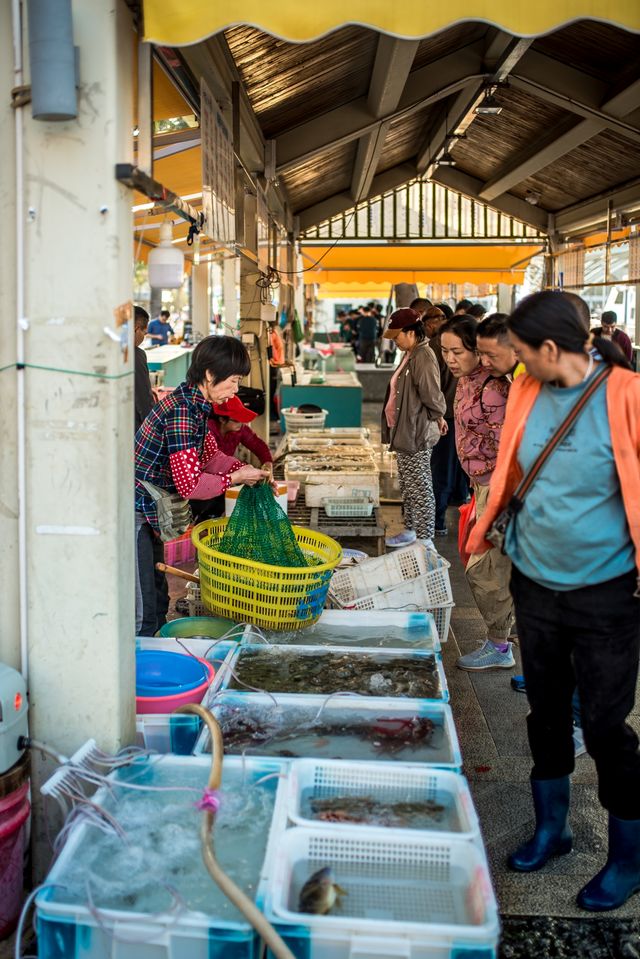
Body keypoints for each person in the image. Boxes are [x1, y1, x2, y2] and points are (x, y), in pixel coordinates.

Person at [468, 290, 640, 911]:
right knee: (543, 711)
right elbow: (512, 471)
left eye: (518, 351)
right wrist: (485, 526)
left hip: (607, 596)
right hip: (535, 585)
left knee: (604, 724)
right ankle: (553, 828)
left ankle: (628, 856)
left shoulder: (627, 398)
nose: (509, 362)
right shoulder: (526, 391)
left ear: (549, 348)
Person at [135, 335, 270, 635]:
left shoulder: (196, 407)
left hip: (153, 512)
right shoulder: (181, 412)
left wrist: (245, 469)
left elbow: (211, 458)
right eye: (233, 381)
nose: (236, 390)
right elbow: (190, 484)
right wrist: (235, 479)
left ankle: (162, 646)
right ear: (210, 375)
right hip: (136, 512)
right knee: (143, 608)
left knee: (158, 597)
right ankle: (146, 672)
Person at [440, 314, 515, 670]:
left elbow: (508, 449)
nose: (450, 359)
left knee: (484, 569)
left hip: (499, 488)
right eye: (445, 351)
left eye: (458, 351)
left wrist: (499, 499)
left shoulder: (494, 388)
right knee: (488, 567)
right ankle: (502, 639)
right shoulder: (467, 382)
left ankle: (501, 645)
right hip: (479, 484)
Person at [381, 308, 446, 548]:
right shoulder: (410, 353)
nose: (395, 341)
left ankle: (426, 539)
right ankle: (410, 530)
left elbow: (431, 393)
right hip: (405, 431)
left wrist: (439, 415)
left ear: (410, 332)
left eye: (397, 336)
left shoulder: (423, 356)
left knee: (420, 486)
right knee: (409, 485)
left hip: (416, 431)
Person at [134, 306, 155, 432]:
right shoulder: (136, 355)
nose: (143, 338)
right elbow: (144, 399)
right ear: (136, 329)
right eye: (144, 333)